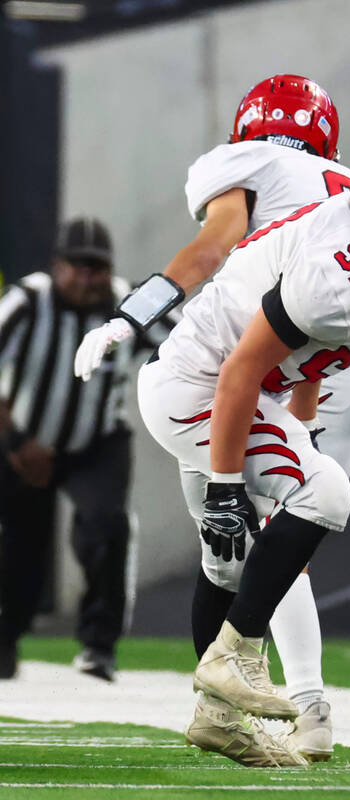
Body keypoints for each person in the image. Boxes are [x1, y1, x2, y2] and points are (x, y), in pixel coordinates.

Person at [75, 76, 350, 765]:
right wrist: (234, 484)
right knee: (325, 493)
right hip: (203, 383)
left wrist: (292, 440)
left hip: (221, 377)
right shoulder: (348, 265)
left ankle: (217, 716)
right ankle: (237, 656)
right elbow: (239, 360)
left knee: (227, 558)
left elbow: (305, 361)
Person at [0, 218, 166, 683]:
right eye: (79, 267)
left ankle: (99, 645)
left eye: (98, 268)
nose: (89, 279)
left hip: (98, 442)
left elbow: (186, 343)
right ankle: (5, 638)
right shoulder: (28, 301)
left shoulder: (127, 304)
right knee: (19, 545)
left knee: (105, 526)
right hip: (23, 438)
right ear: (57, 266)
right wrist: (15, 441)